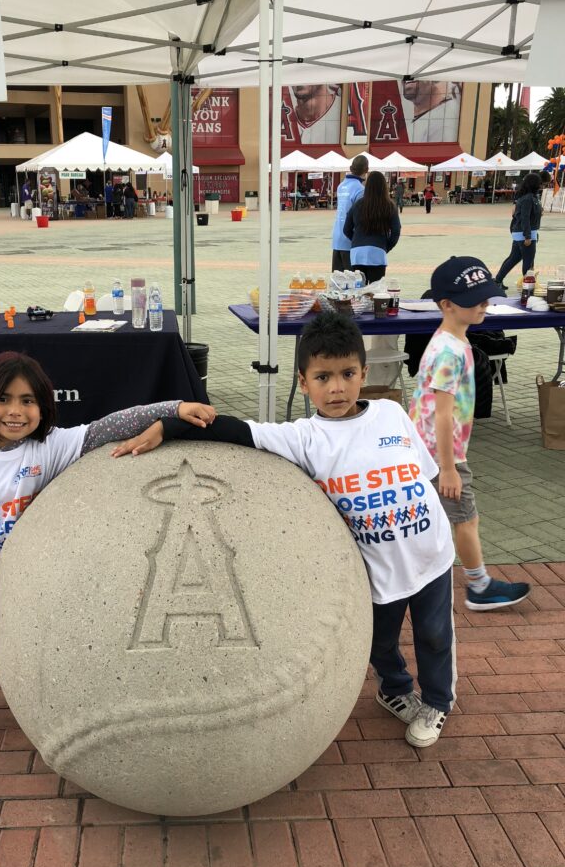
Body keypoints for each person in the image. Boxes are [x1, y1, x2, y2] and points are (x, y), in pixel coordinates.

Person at [114, 313, 459, 749]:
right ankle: (395, 688)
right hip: (377, 568)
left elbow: (422, 474)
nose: (337, 388)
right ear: (303, 382)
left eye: (348, 374)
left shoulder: (391, 414)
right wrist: (169, 425)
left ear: (363, 373)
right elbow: (235, 431)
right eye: (323, 377)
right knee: (378, 641)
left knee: (435, 635)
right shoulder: (304, 438)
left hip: (430, 554)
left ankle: (437, 701)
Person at [0, 351, 214, 733]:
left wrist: (175, 408)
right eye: (3, 399)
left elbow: (112, 425)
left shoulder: (50, 447)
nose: (15, 411)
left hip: (4, 585)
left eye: (28, 400)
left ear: (43, 407)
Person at [409, 257, 530, 611]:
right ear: (446, 304)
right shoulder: (449, 352)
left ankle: (420, 578)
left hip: (428, 451)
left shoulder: (451, 341)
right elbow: (442, 415)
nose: (483, 305)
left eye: (485, 297)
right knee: (466, 517)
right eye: (474, 300)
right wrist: (449, 468)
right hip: (440, 454)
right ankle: (479, 586)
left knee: (436, 518)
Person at [342, 170, 400, 284]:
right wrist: (386, 247)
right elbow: (396, 231)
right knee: (376, 290)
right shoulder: (389, 206)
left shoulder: (357, 205)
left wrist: (357, 241)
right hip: (378, 251)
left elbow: (346, 229)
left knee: (359, 290)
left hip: (357, 253)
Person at [494, 173, 542, 291]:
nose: (541, 185)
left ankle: (497, 281)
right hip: (525, 234)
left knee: (513, 259)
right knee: (528, 262)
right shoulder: (528, 199)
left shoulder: (528, 197)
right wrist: (528, 236)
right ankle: (528, 288)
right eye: (539, 183)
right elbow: (525, 218)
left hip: (521, 233)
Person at [331, 154, 368, 272]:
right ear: (366, 170)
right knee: (352, 280)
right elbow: (360, 217)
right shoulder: (360, 190)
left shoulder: (341, 186)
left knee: (337, 279)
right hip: (350, 240)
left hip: (337, 238)